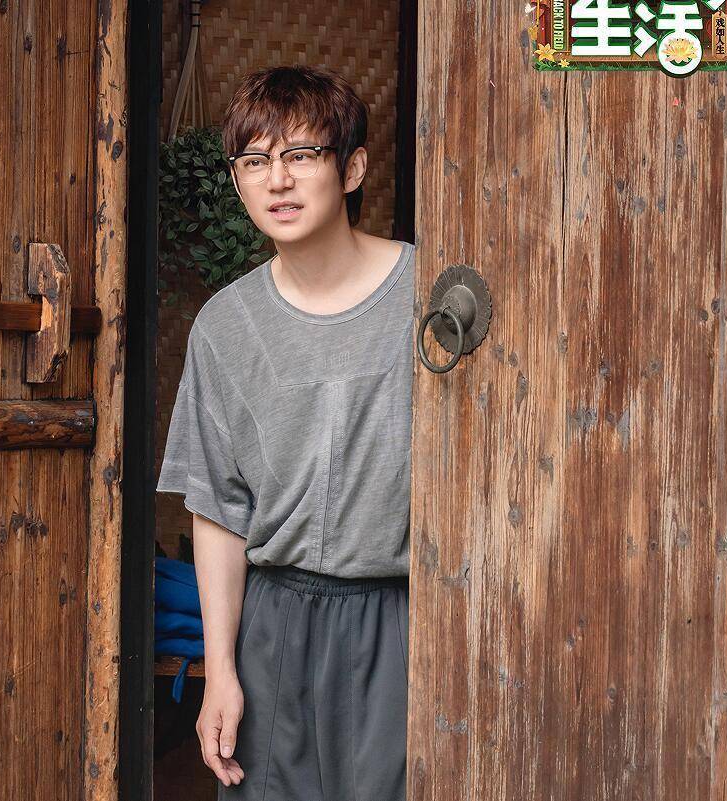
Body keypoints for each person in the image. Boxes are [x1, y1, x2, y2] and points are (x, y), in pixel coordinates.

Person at [156, 64, 414, 801]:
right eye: (254, 160)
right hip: (273, 622)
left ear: (352, 168)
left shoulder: (426, 298)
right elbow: (218, 509)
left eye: (301, 155)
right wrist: (220, 671)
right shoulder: (225, 327)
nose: (278, 180)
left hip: (401, 615)